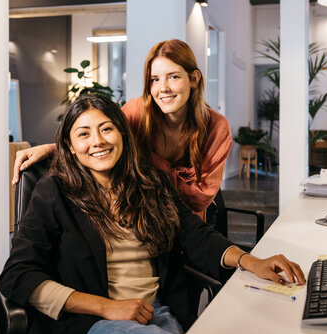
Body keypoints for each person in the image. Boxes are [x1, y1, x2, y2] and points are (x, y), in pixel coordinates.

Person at [0, 94, 305, 334]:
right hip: (88, 323)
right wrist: (107, 307)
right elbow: (17, 276)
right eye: (84, 133)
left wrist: (253, 261)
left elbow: (194, 233)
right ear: (69, 144)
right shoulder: (54, 191)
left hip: (157, 312)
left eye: (107, 128)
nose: (98, 141)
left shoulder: (149, 182)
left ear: (123, 133)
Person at [12, 39, 232, 220]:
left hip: (188, 224)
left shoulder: (216, 126)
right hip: (143, 216)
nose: (163, 88)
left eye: (173, 77)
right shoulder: (136, 111)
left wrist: (152, 165)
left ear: (193, 78)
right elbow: (104, 140)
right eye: (154, 79)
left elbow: (199, 198)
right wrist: (52, 149)